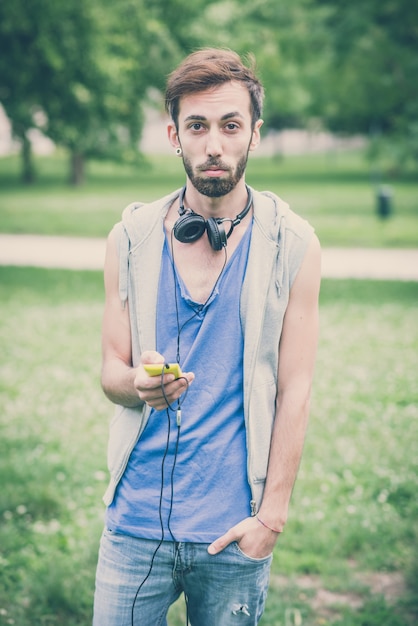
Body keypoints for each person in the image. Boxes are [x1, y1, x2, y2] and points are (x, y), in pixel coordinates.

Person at [93, 48, 321, 626]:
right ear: (174, 134)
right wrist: (137, 385)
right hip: (135, 525)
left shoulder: (293, 245)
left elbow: (294, 389)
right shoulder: (129, 237)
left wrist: (271, 519)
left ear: (255, 134)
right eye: (197, 126)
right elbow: (110, 373)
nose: (214, 144)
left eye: (230, 125)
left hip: (233, 530)